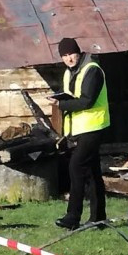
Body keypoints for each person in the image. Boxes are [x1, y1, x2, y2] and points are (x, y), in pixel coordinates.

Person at [46, 37, 110, 230]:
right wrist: (58, 96)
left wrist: (60, 104)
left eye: (71, 54)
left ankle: (72, 216)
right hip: (79, 128)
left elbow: (87, 101)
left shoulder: (93, 71)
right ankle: (98, 218)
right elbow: (72, 94)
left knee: (76, 167)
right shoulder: (69, 73)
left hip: (93, 127)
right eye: (64, 56)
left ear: (79, 53)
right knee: (92, 172)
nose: (69, 59)